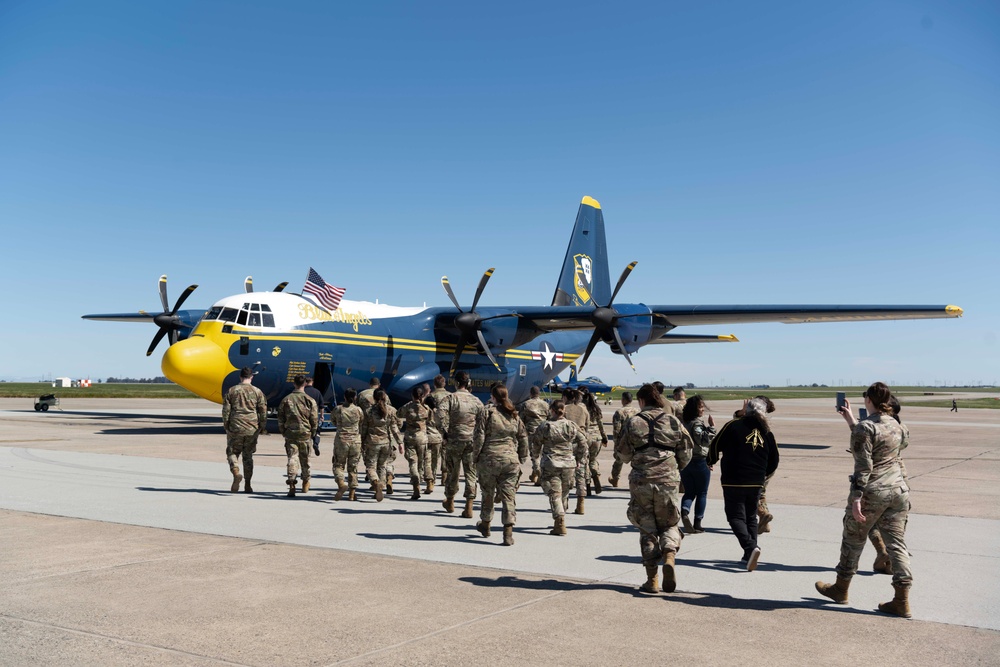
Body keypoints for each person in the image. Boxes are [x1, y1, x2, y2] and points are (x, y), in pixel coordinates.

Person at [816, 382, 913, 617]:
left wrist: (857, 496)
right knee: (897, 544)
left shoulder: (866, 428)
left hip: (873, 491)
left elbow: (864, 463)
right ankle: (902, 600)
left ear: (869, 400)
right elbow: (890, 447)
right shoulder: (899, 426)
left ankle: (841, 589)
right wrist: (851, 420)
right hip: (898, 490)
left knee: (853, 540)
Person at [616, 383, 693, 593]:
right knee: (669, 522)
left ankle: (652, 580)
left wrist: (638, 457)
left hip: (642, 481)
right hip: (668, 480)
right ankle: (669, 553)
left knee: (647, 527)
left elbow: (622, 454)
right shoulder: (673, 420)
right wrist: (673, 468)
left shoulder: (634, 422)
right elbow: (686, 451)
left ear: (641, 401)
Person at [708, 396, 779, 570]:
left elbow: (715, 445)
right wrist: (763, 475)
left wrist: (711, 460)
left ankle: (750, 547)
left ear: (747, 410)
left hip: (734, 479)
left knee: (734, 517)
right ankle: (749, 556)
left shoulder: (732, 426)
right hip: (756, 481)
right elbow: (775, 459)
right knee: (750, 517)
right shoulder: (766, 430)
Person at [472, 384, 529, 546]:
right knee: (509, 497)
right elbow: (523, 437)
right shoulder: (514, 414)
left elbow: (479, 437)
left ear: (493, 397)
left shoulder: (487, 412)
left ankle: (485, 524)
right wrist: (522, 457)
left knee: (487, 493)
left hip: (489, 459)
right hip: (510, 461)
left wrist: (475, 457)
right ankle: (508, 533)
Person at [531, 399, 588, 535]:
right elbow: (583, 442)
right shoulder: (571, 425)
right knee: (564, 492)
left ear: (551, 410)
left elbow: (536, 445)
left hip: (552, 463)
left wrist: (536, 460)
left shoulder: (545, 426)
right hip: (569, 464)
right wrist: (579, 458)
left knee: (554, 493)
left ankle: (559, 521)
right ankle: (561, 517)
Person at [440, 371, 483, 518]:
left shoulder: (450, 398)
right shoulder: (477, 401)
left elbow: (440, 415)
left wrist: (444, 432)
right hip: (471, 441)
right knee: (471, 473)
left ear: (456, 383)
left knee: (453, 472)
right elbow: (483, 420)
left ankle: (450, 501)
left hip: (454, 439)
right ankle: (469, 506)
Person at [733, 396, 778, 533]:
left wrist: (742, 412)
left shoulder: (754, 420)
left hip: (757, 465)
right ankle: (765, 522)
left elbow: (737, 424)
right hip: (768, 464)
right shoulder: (764, 422)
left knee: (751, 494)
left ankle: (762, 514)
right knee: (761, 492)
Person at [221, 366, 267, 493]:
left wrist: (227, 425)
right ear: (251, 377)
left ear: (240, 377)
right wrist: (262, 426)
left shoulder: (232, 391)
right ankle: (248, 484)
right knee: (248, 456)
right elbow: (263, 411)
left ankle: (236, 472)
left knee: (232, 452)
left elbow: (226, 411)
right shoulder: (258, 391)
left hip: (236, 426)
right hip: (252, 428)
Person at [680, 395, 716, 534]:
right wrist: (712, 428)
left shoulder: (683, 424)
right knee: (702, 492)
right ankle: (697, 523)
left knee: (689, 492)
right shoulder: (696, 424)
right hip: (699, 461)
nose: (702, 410)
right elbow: (703, 440)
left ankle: (684, 511)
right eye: (700, 407)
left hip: (685, 462)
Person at [278, 375, 318, 497]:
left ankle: (291, 483)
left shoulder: (286, 400)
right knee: (305, 459)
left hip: (291, 433)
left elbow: (280, 418)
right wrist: (313, 432)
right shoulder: (310, 400)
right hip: (305, 433)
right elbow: (314, 419)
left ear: (294, 384)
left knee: (292, 458)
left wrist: (283, 431)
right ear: (304, 384)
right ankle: (305, 481)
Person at [360, 389, 403, 501]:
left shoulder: (369, 411)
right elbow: (394, 428)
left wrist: (362, 441)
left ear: (374, 398)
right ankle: (381, 486)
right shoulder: (390, 410)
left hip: (373, 442)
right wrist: (400, 443)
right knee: (382, 466)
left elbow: (364, 428)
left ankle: (375, 482)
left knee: (371, 466)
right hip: (386, 443)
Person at [398, 385, 433, 500]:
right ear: (422, 395)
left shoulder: (408, 406)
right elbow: (431, 419)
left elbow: (398, 414)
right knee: (422, 462)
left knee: (413, 462)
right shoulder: (426, 408)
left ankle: (416, 485)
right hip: (422, 438)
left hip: (410, 438)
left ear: (412, 395)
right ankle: (426, 480)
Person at [331, 387, 364, 501]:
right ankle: (352, 493)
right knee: (353, 467)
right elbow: (362, 422)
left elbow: (333, 421)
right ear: (355, 397)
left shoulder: (338, 409)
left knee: (338, 465)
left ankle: (341, 483)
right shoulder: (359, 410)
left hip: (341, 440)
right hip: (355, 440)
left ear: (344, 397)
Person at [563, 388, 590, 513]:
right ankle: (581, 504)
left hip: (568, 444)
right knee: (581, 473)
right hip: (581, 441)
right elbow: (587, 426)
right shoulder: (583, 409)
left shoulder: (564, 409)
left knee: (565, 475)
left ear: (565, 397)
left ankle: (564, 502)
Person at [517, 385, 550, 486]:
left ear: (530, 394)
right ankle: (534, 474)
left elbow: (520, 419)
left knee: (535, 455)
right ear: (539, 393)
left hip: (531, 431)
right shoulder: (545, 404)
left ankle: (539, 474)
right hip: (543, 430)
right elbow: (549, 417)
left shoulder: (526, 404)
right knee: (541, 453)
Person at [608, 392, 639, 487]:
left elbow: (616, 429)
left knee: (618, 460)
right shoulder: (637, 411)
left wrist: (616, 442)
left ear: (624, 400)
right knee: (636, 461)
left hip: (623, 440)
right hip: (635, 439)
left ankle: (615, 479)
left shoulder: (619, 412)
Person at [583, 389, 608, 494]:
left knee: (585, 461)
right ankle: (596, 477)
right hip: (597, 437)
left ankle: (587, 484)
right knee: (593, 460)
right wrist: (604, 437)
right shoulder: (596, 409)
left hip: (586, 437)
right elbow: (601, 425)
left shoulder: (582, 409)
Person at [429, 374, 451, 483]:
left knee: (433, 454)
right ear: (444, 384)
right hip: (447, 428)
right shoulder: (451, 396)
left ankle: (432, 478)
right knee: (445, 452)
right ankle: (444, 476)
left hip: (434, 429)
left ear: (434, 384)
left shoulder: (430, 396)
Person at [303, 376, 325, 457]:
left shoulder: (303, 391)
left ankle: (305, 449)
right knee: (316, 432)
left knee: (304, 432)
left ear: (305, 382)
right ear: (312, 382)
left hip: (304, 415)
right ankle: (316, 443)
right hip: (315, 415)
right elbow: (322, 406)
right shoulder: (317, 392)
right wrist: (322, 416)